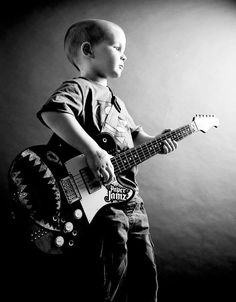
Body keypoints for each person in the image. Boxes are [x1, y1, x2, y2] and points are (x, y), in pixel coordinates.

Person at [36, 19, 177, 302]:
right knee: (109, 260)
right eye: (117, 47)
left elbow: (134, 137)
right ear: (88, 50)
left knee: (144, 267)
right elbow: (53, 113)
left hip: (129, 195)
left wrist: (156, 142)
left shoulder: (117, 102)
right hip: (99, 196)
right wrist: (92, 150)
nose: (124, 55)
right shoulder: (78, 88)